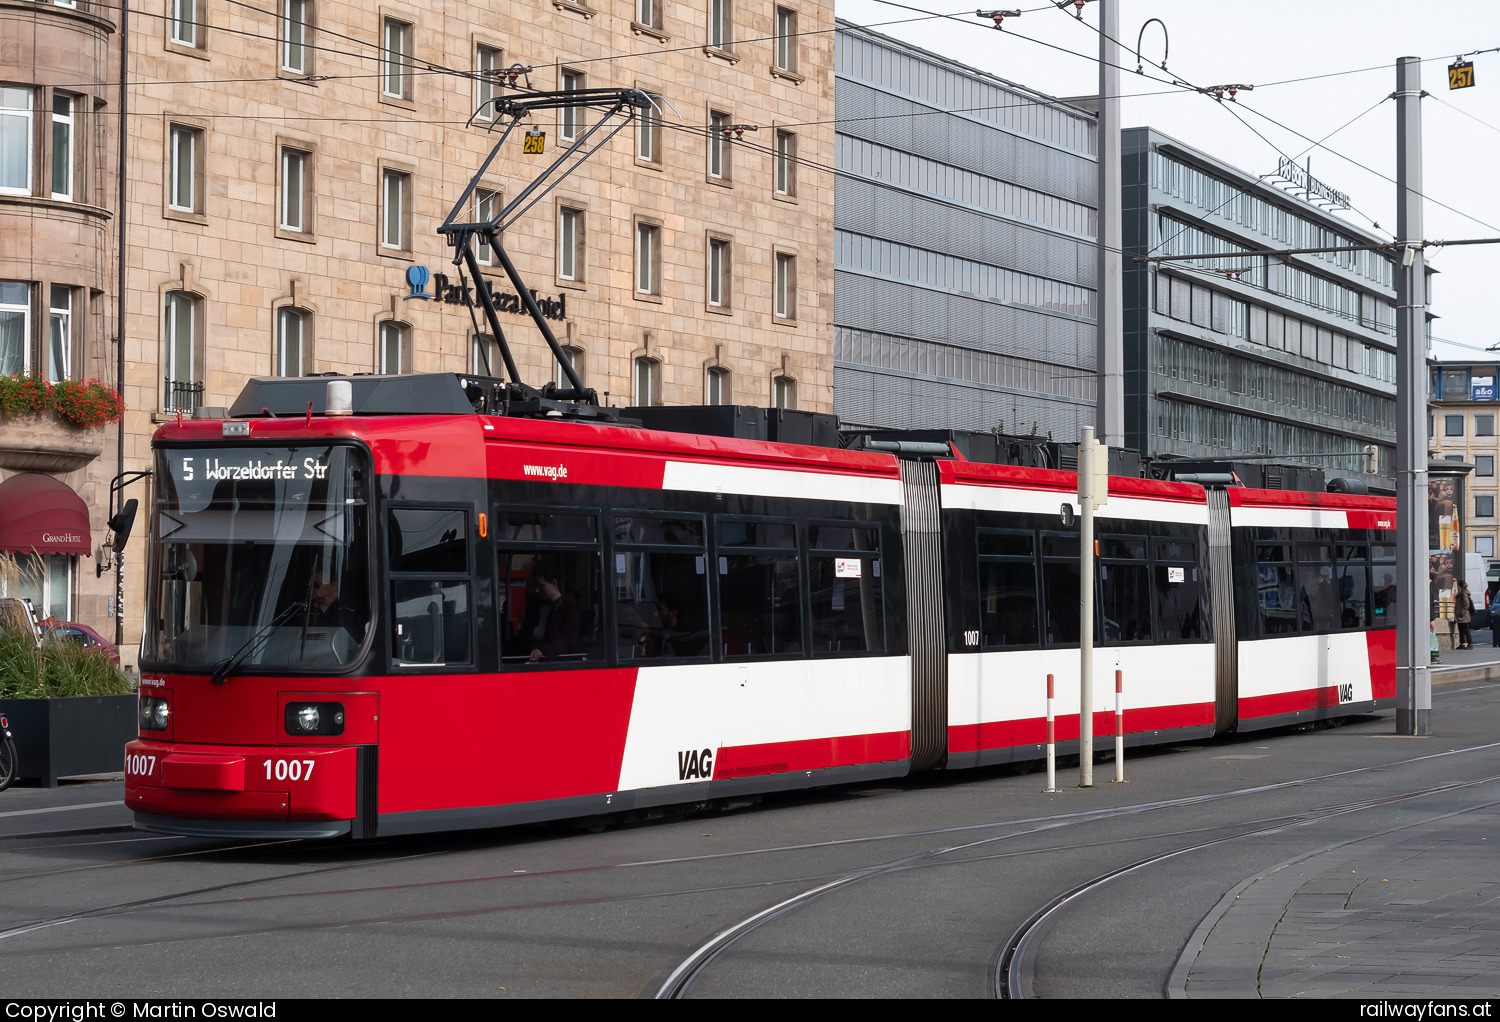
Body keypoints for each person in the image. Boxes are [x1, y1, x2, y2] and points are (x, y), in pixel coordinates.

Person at [529, 573, 581, 660]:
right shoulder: (539, 606)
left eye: (541, 586)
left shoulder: (570, 609)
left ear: (554, 583)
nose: (537, 591)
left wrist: (542, 650)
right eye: (535, 586)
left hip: (556, 662)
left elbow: (566, 641)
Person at [1456, 580, 1475, 650]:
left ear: (1460, 586)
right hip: (1461, 615)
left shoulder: (1464, 594)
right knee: (1461, 629)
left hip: (1464, 615)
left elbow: (1466, 604)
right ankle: (1462, 643)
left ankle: (1470, 643)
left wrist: (1462, 612)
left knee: (1466, 630)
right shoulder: (1461, 593)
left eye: (1458, 585)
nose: (1457, 587)